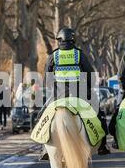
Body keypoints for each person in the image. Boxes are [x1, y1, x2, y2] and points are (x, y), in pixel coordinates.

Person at [42, 27, 110, 156]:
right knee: (99, 115)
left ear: (59, 40)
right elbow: (91, 75)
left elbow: (47, 81)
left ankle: (44, 148)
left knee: (43, 116)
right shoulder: (79, 55)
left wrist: (54, 89)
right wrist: (89, 89)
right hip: (80, 96)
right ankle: (103, 145)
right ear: (73, 40)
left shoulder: (53, 56)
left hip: (58, 97)